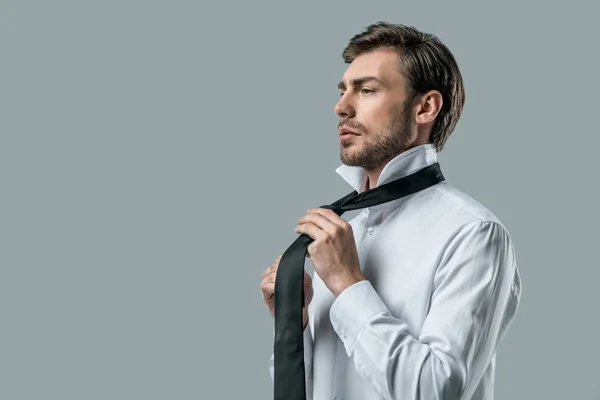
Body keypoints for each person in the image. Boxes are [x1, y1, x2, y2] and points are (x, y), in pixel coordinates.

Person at [260, 21, 521, 400]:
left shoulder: (473, 233)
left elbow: (435, 391)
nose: (341, 107)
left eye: (366, 90)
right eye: (343, 91)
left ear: (425, 107)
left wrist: (348, 285)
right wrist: (294, 325)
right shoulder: (345, 231)